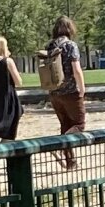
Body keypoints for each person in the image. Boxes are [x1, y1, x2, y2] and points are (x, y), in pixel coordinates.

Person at [42, 14, 86, 168]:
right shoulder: (70, 45)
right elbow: (76, 69)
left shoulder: (50, 46)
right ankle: (59, 146)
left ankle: (70, 162)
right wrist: (82, 87)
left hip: (54, 92)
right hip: (70, 92)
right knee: (79, 125)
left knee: (65, 125)